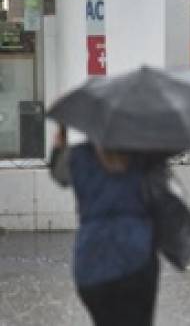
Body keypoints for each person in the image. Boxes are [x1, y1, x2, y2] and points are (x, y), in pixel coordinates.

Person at [49, 126, 166, 326]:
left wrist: (59, 144)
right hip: (136, 257)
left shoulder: (79, 157)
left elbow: (59, 176)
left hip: (92, 262)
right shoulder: (144, 158)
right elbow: (163, 198)